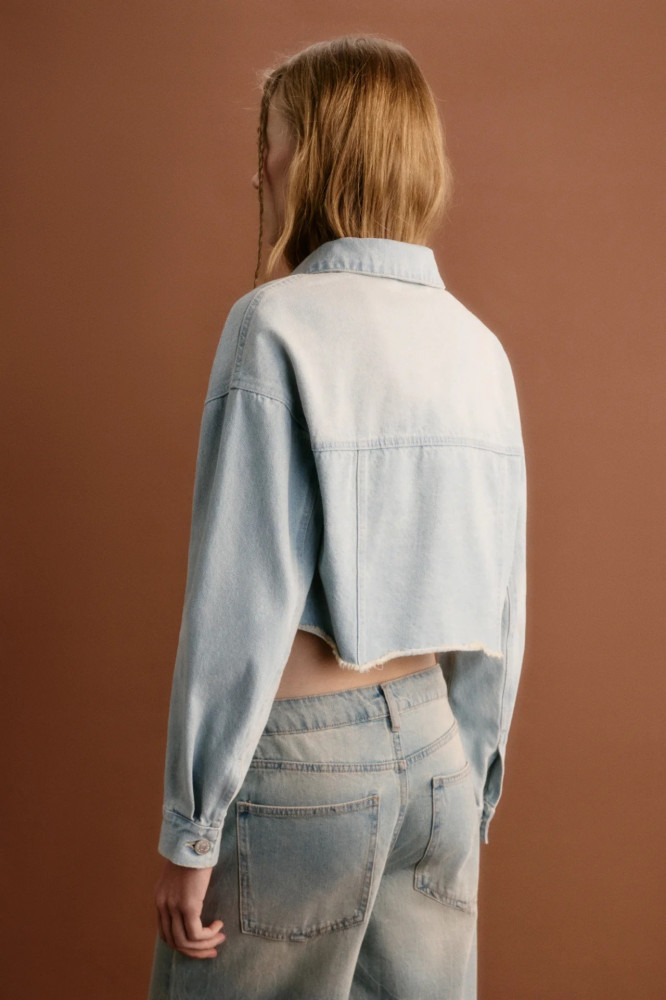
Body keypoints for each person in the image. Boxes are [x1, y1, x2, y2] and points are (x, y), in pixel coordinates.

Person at [148, 33, 527, 1000]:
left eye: (272, 142)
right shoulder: (480, 348)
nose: (259, 170)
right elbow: (502, 602)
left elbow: (239, 598)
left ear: (316, 158)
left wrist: (193, 828)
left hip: (302, 766)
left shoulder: (273, 323)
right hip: (436, 757)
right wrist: (472, 776)